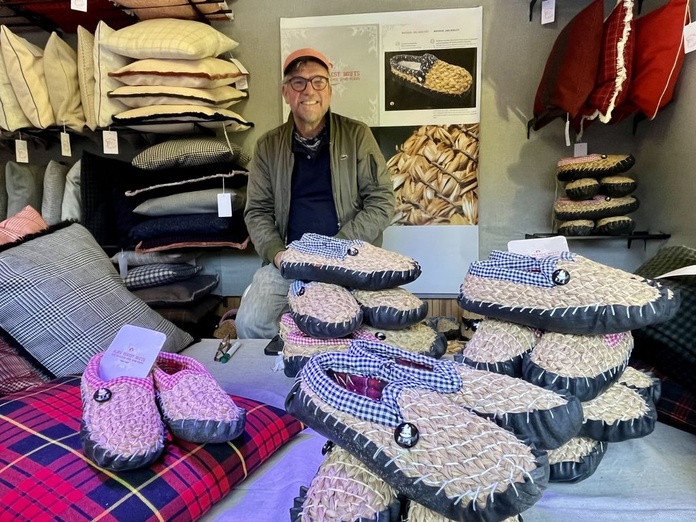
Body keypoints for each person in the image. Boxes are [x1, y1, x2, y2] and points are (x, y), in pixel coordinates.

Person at [235, 47, 395, 339]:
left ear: (330, 90)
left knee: (359, 330)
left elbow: (382, 201)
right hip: (290, 262)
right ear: (286, 92)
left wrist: (339, 248)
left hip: (350, 259)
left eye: (318, 81)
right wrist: (277, 254)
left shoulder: (357, 136)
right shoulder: (268, 146)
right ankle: (280, 377)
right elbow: (257, 211)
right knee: (251, 322)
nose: (309, 90)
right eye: (298, 82)